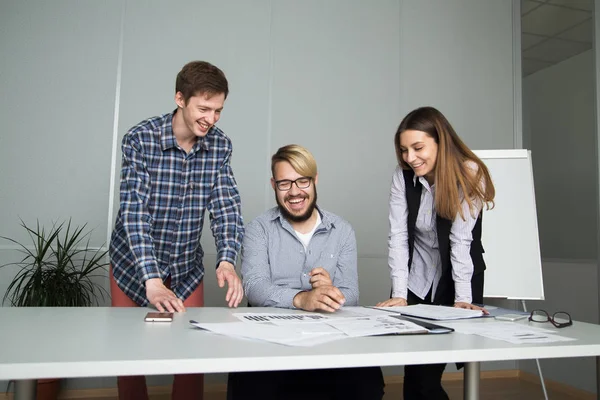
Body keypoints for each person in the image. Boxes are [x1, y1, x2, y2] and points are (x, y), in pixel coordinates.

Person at [109, 60, 245, 400]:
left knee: (191, 357)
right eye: (204, 108)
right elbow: (133, 211)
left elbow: (225, 204)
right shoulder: (140, 139)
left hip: (185, 267)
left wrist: (226, 259)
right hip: (133, 266)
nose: (211, 119)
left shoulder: (220, 146)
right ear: (180, 98)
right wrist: (151, 280)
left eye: (218, 110)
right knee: (127, 359)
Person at [227, 144, 384, 400]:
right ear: (273, 185)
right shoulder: (259, 229)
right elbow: (254, 287)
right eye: (284, 184)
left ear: (315, 180)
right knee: (253, 384)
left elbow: (351, 293)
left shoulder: (342, 230)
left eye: (302, 181)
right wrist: (303, 298)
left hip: (329, 337)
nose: (295, 192)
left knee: (366, 382)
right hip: (271, 338)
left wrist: (331, 290)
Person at [376, 106, 495, 400]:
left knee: (428, 376)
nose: (409, 158)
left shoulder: (470, 173)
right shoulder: (402, 176)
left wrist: (463, 299)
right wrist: (401, 294)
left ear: (441, 142)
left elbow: (460, 241)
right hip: (416, 278)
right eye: (404, 150)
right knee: (415, 374)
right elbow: (399, 235)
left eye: (418, 148)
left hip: (456, 279)